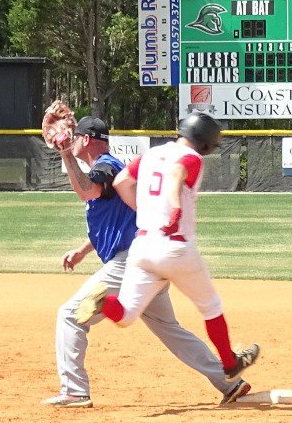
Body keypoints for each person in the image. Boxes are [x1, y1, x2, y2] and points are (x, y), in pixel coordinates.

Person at [47, 115, 250, 408]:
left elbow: (89, 190)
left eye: (76, 137)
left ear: (86, 139)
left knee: (69, 315)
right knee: (170, 329)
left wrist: (65, 153)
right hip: (153, 256)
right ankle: (230, 382)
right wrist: (83, 250)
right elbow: (119, 219)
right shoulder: (112, 169)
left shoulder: (107, 166)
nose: (73, 141)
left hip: (132, 261)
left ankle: (75, 391)